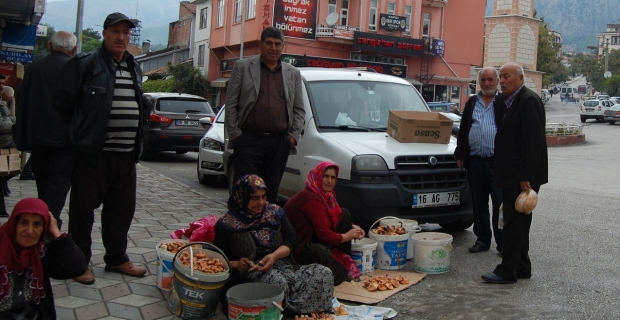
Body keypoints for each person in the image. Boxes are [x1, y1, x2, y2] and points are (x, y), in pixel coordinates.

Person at [52, 12, 149, 284]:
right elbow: (61, 103)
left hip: (126, 155)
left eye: (126, 33)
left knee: (121, 209)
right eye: (116, 32)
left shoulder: (134, 66)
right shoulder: (85, 63)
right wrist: (78, 135)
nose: (121, 37)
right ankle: (79, 262)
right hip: (93, 154)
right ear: (105, 33)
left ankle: (117, 258)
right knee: (83, 210)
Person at [214, 174, 334, 315]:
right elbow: (218, 259)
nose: (261, 202)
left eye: (263, 197)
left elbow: (291, 239)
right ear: (242, 197)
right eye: (255, 198)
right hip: (250, 275)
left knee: (323, 273)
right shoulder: (226, 224)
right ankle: (286, 311)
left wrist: (274, 256)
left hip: (283, 266)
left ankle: (299, 312)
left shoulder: (274, 212)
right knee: (276, 283)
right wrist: (237, 264)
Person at [482, 62, 548, 284]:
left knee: (512, 223)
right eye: (501, 76)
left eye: (507, 76)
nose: (502, 80)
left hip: (522, 176)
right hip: (510, 173)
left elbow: (532, 143)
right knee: (519, 223)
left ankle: (507, 270)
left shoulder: (528, 101)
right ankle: (522, 266)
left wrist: (525, 177)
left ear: (520, 78)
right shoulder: (504, 102)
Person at [225, 27, 305, 203]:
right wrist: (236, 136)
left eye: (277, 44)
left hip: (278, 143)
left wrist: (292, 136)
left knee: (270, 193)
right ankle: (240, 229)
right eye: (269, 43)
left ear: (283, 46)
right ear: (261, 45)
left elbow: (299, 109)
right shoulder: (243, 68)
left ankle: (266, 230)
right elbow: (231, 104)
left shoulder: (293, 73)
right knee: (245, 192)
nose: (273, 48)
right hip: (248, 141)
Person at [14, 31, 77, 229]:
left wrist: (22, 137)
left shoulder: (34, 68)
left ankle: (45, 219)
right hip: (65, 140)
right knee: (58, 183)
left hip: (38, 137)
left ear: (50, 46)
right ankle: (49, 223)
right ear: (74, 49)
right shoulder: (76, 69)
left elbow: (22, 101)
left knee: (43, 181)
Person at [0, 198, 87, 319]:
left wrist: (57, 234)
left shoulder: (40, 251)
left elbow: (77, 268)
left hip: (26, 314)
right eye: (23, 223)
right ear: (13, 223)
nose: (30, 231)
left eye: (37, 224)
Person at [283, 161, 364, 285]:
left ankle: (342, 257)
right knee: (322, 254)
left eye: (333, 177)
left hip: (312, 235)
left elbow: (335, 215)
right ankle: (340, 272)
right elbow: (323, 234)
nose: (329, 181)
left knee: (345, 214)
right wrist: (347, 236)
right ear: (318, 176)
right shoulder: (312, 198)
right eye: (325, 176)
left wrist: (353, 227)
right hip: (299, 244)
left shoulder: (326, 195)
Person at [454, 67, 503, 254]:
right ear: (479, 82)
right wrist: (460, 154)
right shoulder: (473, 102)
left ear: (497, 81)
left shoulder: (504, 102)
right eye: (483, 80)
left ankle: (502, 242)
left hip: (497, 163)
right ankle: (482, 239)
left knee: (499, 204)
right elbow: (464, 129)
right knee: (479, 203)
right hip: (475, 161)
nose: (487, 83)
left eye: (491, 80)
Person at [0, 85, 17, 217]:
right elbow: (4, 123)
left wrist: (12, 107)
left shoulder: (5, 103)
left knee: (11, 171)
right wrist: (11, 120)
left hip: (6, 142)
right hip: (3, 143)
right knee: (4, 174)